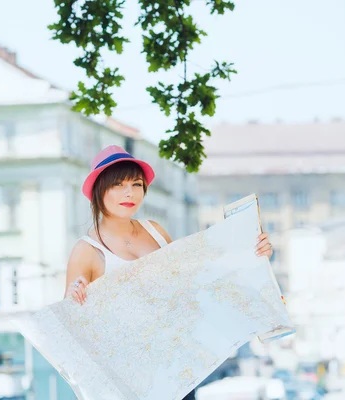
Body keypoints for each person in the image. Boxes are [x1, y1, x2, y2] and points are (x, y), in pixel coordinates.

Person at [63, 145, 274, 399]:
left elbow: (195, 277)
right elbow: (71, 319)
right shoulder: (86, 250)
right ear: (99, 190)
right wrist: (76, 294)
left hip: (178, 368)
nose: (129, 192)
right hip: (132, 379)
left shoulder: (155, 231)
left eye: (137, 184)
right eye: (118, 184)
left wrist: (251, 250)